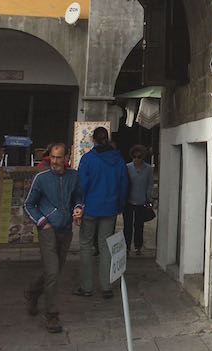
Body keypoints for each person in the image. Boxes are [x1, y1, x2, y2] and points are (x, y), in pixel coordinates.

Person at [23, 143, 83, 333]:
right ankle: (52, 315)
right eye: (53, 158)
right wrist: (42, 222)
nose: (56, 162)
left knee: (55, 271)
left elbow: (78, 196)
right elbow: (28, 204)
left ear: (67, 158)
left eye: (59, 158)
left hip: (65, 230)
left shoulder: (74, 176)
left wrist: (78, 208)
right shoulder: (41, 178)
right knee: (52, 271)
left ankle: (33, 292)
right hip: (47, 230)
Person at [76, 126, 129, 299]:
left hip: (90, 207)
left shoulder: (88, 159)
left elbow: (81, 185)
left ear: (94, 140)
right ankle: (105, 286)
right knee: (106, 246)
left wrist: (79, 205)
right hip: (110, 208)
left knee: (85, 245)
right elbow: (123, 184)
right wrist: (119, 205)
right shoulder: (119, 159)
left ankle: (86, 286)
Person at [124, 144, 154, 254]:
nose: (137, 159)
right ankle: (127, 246)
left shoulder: (148, 169)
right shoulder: (127, 167)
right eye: (135, 156)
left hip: (142, 200)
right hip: (129, 201)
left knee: (139, 225)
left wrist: (148, 196)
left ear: (143, 157)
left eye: (139, 156)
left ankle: (138, 246)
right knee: (127, 225)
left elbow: (150, 184)